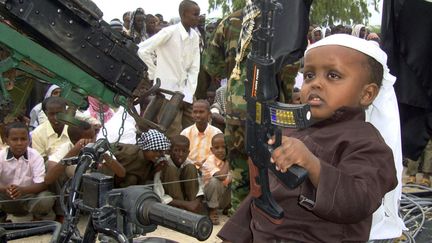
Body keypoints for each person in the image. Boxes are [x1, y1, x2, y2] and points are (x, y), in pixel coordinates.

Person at [218, 34, 398, 242]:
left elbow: (360, 200)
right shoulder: (290, 132)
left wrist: (313, 166)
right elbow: (262, 195)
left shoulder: (367, 143)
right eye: (309, 75)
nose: (316, 84)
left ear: (367, 94)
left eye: (333, 76)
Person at [138, 0, 201, 138]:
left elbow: (194, 68)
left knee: (190, 131)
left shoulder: (195, 37)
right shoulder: (169, 32)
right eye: (195, 15)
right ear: (184, 14)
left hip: (186, 91)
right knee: (171, 133)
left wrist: (188, 95)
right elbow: (142, 50)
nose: (198, 18)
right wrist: (154, 74)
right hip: (167, 92)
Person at [0, 122, 54, 222]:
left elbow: (42, 184)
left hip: (29, 197)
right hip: (6, 197)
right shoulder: (1, 157)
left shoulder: (35, 156)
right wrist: (5, 189)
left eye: (23, 139)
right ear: (6, 140)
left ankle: (38, 217)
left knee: (46, 198)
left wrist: (22, 190)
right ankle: (2, 218)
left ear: (29, 140)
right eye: (14, 139)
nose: (19, 143)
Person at [158, 135, 204, 213]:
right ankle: (181, 211)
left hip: (188, 202)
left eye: (184, 151)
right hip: (171, 203)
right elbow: (160, 196)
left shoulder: (188, 163)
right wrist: (185, 204)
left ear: (188, 152)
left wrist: (195, 202)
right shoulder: (162, 164)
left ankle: (192, 209)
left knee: (191, 168)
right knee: (170, 169)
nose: (180, 154)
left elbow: (200, 189)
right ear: (169, 151)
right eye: (176, 150)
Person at [180, 100, 222, 169]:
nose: (198, 115)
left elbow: (220, 155)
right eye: (195, 112)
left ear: (209, 114)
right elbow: (181, 154)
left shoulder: (217, 133)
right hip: (189, 169)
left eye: (201, 112)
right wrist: (193, 164)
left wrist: (205, 164)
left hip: (211, 169)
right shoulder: (185, 133)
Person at [201, 133, 231, 225]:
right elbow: (221, 177)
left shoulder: (226, 160)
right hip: (209, 198)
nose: (221, 150)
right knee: (215, 181)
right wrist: (229, 161)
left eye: (223, 147)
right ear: (212, 149)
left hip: (223, 198)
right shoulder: (210, 161)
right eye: (217, 148)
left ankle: (229, 207)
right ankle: (212, 210)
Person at [31, 97, 69, 161]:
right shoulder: (38, 133)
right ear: (46, 114)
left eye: (59, 114)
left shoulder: (75, 129)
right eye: (51, 114)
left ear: (65, 112)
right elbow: (40, 160)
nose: (55, 118)